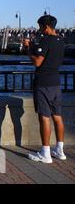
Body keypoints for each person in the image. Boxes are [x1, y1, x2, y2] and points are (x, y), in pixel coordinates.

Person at [23, 15, 66, 163]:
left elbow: (37, 62)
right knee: (57, 116)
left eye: (41, 27)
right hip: (56, 82)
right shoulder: (61, 41)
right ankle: (60, 150)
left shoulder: (46, 40)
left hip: (43, 83)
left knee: (44, 117)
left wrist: (28, 48)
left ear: (46, 27)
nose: (40, 29)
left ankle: (45, 153)